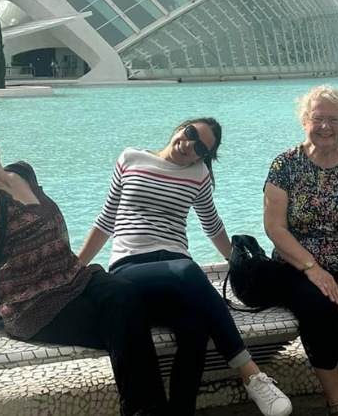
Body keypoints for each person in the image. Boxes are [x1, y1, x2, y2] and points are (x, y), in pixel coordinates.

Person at [0, 120, 168, 416]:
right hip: (33, 305)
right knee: (125, 326)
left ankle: (149, 408)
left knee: (129, 296)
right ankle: (145, 410)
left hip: (73, 276)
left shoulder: (23, 171)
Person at [77, 117, 292, 416]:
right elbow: (105, 221)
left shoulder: (198, 175)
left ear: (204, 156)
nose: (190, 145)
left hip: (177, 273)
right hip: (132, 268)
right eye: (191, 134)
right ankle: (251, 374)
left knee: (194, 330)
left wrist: (239, 262)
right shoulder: (131, 158)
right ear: (180, 128)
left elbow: (212, 226)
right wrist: (73, 270)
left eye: (201, 148)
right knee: (188, 271)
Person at [263, 85, 338, 416]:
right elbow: (275, 228)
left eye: (334, 119)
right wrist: (312, 268)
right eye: (318, 118)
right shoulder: (284, 165)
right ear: (304, 119)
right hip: (299, 265)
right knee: (317, 311)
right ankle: (337, 401)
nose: (325, 127)